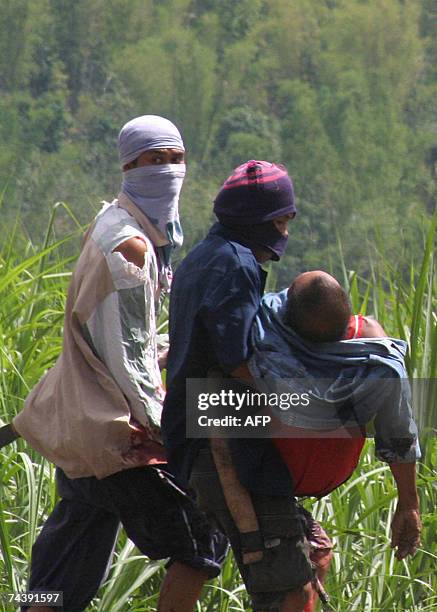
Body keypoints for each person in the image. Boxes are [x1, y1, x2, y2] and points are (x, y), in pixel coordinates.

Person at [12, 115, 227, 612]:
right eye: (155, 161)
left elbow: (126, 338)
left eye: (176, 160)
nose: (169, 171)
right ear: (129, 166)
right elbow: (129, 362)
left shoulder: (114, 221)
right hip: (114, 431)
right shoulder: (129, 246)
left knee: (63, 567)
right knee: (201, 542)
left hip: (81, 423)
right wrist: (166, 427)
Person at [162, 159, 319, 612]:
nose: (285, 232)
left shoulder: (202, 257)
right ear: (263, 221)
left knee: (207, 564)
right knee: (288, 587)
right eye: (283, 220)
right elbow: (237, 360)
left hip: (193, 435)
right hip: (225, 445)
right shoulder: (236, 263)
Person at [258, 271, 421, 611]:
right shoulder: (265, 331)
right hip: (260, 480)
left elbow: (398, 430)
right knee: (295, 580)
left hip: (300, 481)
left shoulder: (372, 352)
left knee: (313, 560)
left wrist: (409, 503)